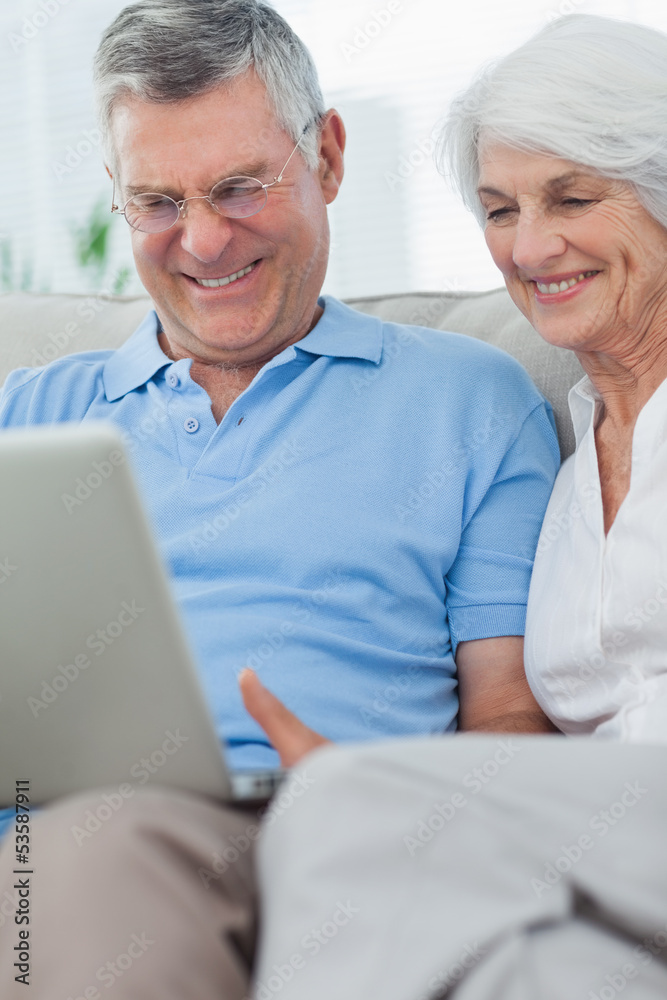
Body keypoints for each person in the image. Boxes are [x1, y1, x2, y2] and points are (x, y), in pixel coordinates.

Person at [0, 1, 560, 997]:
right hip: (62, 843)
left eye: (239, 187)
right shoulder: (29, 416)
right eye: (157, 201)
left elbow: (508, 718)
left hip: (349, 827)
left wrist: (390, 800)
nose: (205, 241)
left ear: (329, 156)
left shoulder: (468, 399)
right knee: (75, 856)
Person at [251, 14, 667, 1000]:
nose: (529, 246)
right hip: (614, 880)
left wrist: (386, 797)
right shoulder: (567, 466)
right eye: (497, 208)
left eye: (571, 197)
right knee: (528, 967)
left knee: (342, 807)